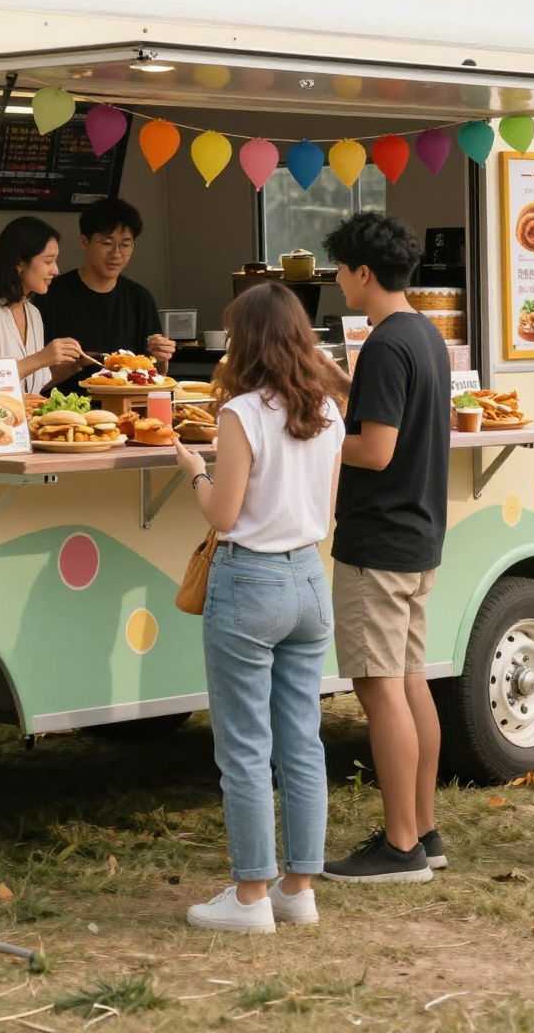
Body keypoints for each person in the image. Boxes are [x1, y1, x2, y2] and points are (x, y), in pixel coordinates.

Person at [173, 282, 344, 934]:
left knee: (244, 747)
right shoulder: (329, 409)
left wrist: (193, 468)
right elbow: (324, 511)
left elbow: (223, 510)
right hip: (307, 579)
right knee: (301, 739)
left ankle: (249, 897)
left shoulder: (241, 412)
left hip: (250, 584)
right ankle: (297, 889)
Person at [318, 212, 451, 885]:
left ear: (363, 273)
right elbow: (383, 417)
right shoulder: (421, 335)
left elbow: (374, 448)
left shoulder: (384, 344)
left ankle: (398, 845)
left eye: (339, 269)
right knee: (407, 682)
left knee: (378, 691)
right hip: (419, 534)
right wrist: (340, 386)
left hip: (380, 539)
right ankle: (423, 831)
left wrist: (308, 446)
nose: (336, 280)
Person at [0, 217, 83, 451]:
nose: (56, 270)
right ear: (19, 263)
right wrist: (42, 358)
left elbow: (32, 388)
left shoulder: (33, 313)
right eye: (48, 261)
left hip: (25, 439)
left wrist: (69, 366)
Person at [40, 198, 175, 394]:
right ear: (85, 242)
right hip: (65, 408)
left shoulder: (139, 298)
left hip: (127, 410)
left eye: (126, 245)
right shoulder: (51, 293)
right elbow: (37, 375)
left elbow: (156, 376)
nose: (116, 254)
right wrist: (77, 364)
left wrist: (162, 357)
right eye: (107, 243)